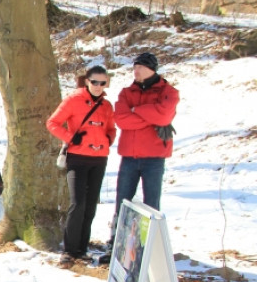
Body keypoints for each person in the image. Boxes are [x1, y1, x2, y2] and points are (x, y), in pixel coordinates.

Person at [46, 65, 116, 267]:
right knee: (77, 203)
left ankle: (82, 249)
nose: (98, 86)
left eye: (103, 83)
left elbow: (111, 127)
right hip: (77, 158)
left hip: (99, 158)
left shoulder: (106, 105)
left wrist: (109, 138)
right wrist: (71, 137)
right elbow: (52, 123)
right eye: (95, 82)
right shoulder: (74, 100)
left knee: (91, 205)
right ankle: (69, 250)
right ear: (87, 81)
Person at [109, 52, 179, 246]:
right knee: (122, 202)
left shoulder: (168, 92)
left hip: (154, 157)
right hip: (129, 157)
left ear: (151, 69)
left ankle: (148, 244)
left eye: (140, 67)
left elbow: (164, 116)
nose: (136, 71)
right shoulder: (126, 92)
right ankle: (116, 242)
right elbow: (121, 119)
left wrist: (136, 111)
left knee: (152, 204)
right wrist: (150, 117)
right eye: (134, 67)